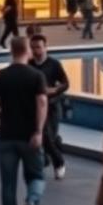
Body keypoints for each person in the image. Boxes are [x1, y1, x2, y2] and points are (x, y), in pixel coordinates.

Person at [0, 36, 47, 205]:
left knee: (8, 186)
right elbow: (41, 103)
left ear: (11, 51)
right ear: (28, 50)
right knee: (37, 176)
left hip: (7, 137)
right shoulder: (36, 75)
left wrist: (3, 116)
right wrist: (38, 131)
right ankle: (31, 201)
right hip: (29, 136)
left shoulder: (1, 75)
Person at [29, 33, 69, 179]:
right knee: (45, 135)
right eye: (32, 48)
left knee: (48, 135)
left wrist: (55, 90)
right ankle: (55, 159)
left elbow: (66, 83)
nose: (35, 51)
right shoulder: (29, 65)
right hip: (36, 107)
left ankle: (56, 159)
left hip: (52, 105)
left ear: (45, 47)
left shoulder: (54, 64)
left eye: (38, 47)